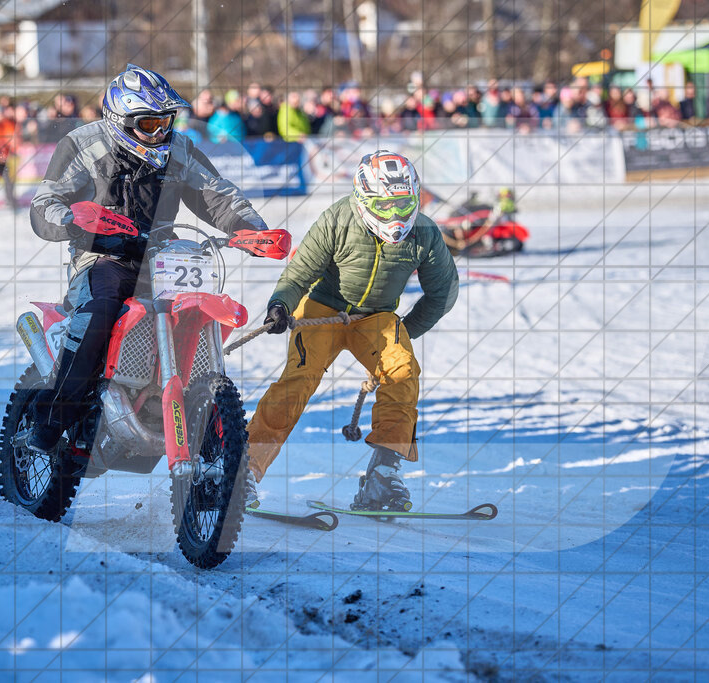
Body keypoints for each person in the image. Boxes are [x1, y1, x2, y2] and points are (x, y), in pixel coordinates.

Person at [26, 64, 272, 453]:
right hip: (101, 257)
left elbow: (217, 194)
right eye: (149, 123)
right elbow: (44, 204)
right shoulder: (83, 145)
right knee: (102, 308)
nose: (159, 132)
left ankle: (220, 446)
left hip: (163, 256)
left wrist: (252, 229)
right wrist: (75, 220)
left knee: (200, 312)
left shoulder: (179, 149)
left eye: (165, 122)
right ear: (120, 119)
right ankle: (53, 418)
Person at [244, 151, 458, 511]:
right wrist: (280, 304)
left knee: (402, 372)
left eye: (404, 205)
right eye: (385, 207)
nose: (396, 217)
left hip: (376, 318)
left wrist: (405, 331)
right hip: (322, 310)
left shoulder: (424, 232)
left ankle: (383, 475)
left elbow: (443, 293)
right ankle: (242, 469)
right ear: (363, 199)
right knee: (299, 380)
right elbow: (299, 274)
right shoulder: (338, 219)